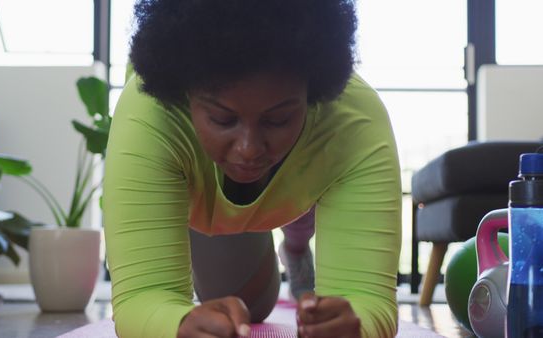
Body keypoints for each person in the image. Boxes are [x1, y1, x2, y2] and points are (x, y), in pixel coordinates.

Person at [103, 0, 402, 337]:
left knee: (250, 305)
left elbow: (367, 298)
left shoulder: (353, 125)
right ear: (186, 100)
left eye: (278, 119)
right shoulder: (151, 115)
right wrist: (179, 326)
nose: (249, 149)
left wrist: (353, 327)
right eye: (222, 119)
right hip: (190, 201)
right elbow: (141, 298)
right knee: (230, 311)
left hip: (240, 205)